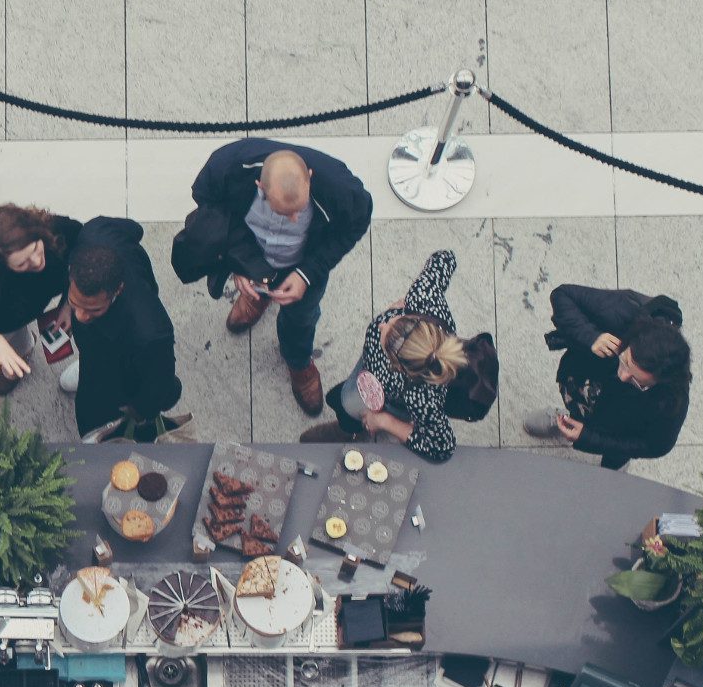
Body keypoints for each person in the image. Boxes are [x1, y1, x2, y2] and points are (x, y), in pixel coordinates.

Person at [173, 139, 374, 415]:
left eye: (299, 210)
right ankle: (258, 299)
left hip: (302, 265)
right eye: (283, 212)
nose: (294, 219)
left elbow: (357, 223)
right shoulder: (227, 167)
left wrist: (307, 273)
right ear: (260, 186)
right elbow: (209, 209)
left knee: (302, 318)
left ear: (310, 177)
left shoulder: (342, 189)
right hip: (252, 255)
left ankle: (298, 361)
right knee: (256, 289)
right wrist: (238, 263)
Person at [303, 250, 467, 463]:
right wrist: (407, 300)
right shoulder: (424, 297)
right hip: (373, 367)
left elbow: (442, 447)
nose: (383, 325)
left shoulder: (422, 397)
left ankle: (348, 430)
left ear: (399, 366)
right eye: (396, 321)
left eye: (387, 338)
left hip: (389, 397)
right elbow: (446, 257)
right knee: (346, 399)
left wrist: (385, 421)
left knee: (349, 404)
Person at [524, 285, 691, 470]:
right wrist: (591, 336)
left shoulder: (673, 400)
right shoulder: (624, 314)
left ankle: (614, 470)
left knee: (615, 460)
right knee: (579, 408)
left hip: (620, 429)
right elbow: (563, 295)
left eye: (637, 381)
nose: (623, 376)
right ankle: (566, 419)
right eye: (624, 361)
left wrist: (587, 438)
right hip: (587, 380)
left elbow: (655, 446)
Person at [62, 218, 183, 439]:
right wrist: (65, 305)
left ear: (118, 290)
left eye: (93, 309)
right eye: (76, 303)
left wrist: (140, 411)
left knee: (92, 423)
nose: (80, 316)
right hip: (97, 346)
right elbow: (135, 229)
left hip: (122, 362)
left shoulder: (150, 333)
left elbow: (159, 381)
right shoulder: (94, 231)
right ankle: (86, 366)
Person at [0, 204, 83, 396]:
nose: (37, 261)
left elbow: (85, 252)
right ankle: (24, 349)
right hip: (5, 322)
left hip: (35, 304)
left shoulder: (58, 229)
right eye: (22, 263)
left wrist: (69, 303)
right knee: (14, 346)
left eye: (36, 248)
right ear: (0, 264)